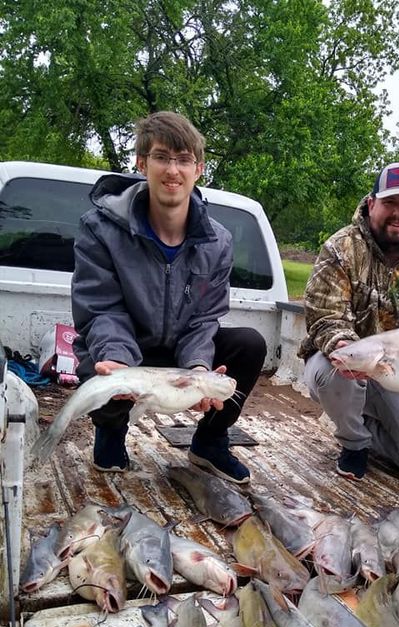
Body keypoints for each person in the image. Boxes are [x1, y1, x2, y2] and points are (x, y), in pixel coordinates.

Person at [72, 111, 266, 484]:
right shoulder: (99, 229)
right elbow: (100, 309)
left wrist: (197, 370)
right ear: (142, 163)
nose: (172, 170)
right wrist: (119, 362)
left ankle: (210, 442)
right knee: (100, 370)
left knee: (249, 344)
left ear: (199, 169)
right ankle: (111, 433)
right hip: (128, 346)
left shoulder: (219, 242)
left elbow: (205, 318)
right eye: (162, 157)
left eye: (183, 160)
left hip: (180, 349)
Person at [298, 162, 399, 482]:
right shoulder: (341, 248)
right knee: (331, 374)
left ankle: (366, 425)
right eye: (390, 203)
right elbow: (324, 314)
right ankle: (354, 442)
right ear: (372, 203)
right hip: (348, 365)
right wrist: (343, 344)